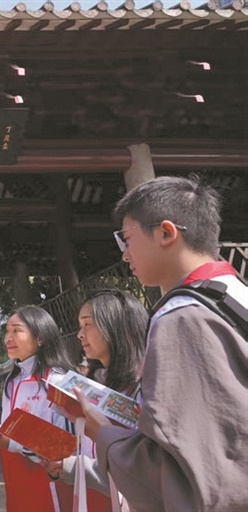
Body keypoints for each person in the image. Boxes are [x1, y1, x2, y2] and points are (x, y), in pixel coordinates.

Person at [74, 176, 248, 511]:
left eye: (127, 239)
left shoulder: (182, 317)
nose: (125, 255)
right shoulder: (232, 295)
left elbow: (185, 469)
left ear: (166, 233)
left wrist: (104, 435)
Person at [45, 289, 148, 512]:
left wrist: (73, 466)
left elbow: (142, 472)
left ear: (115, 325)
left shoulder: (146, 388)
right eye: (79, 326)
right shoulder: (96, 383)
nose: (79, 335)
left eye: (87, 324)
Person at [0, 305, 76, 512]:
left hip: (48, 482)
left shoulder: (58, 381)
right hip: (15, 478)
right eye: (7, 331)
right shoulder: (11, 381)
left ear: (40, 337)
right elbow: (9, 428)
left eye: (17, 330)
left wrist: (11, 442)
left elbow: (65, 445)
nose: (8, 338)